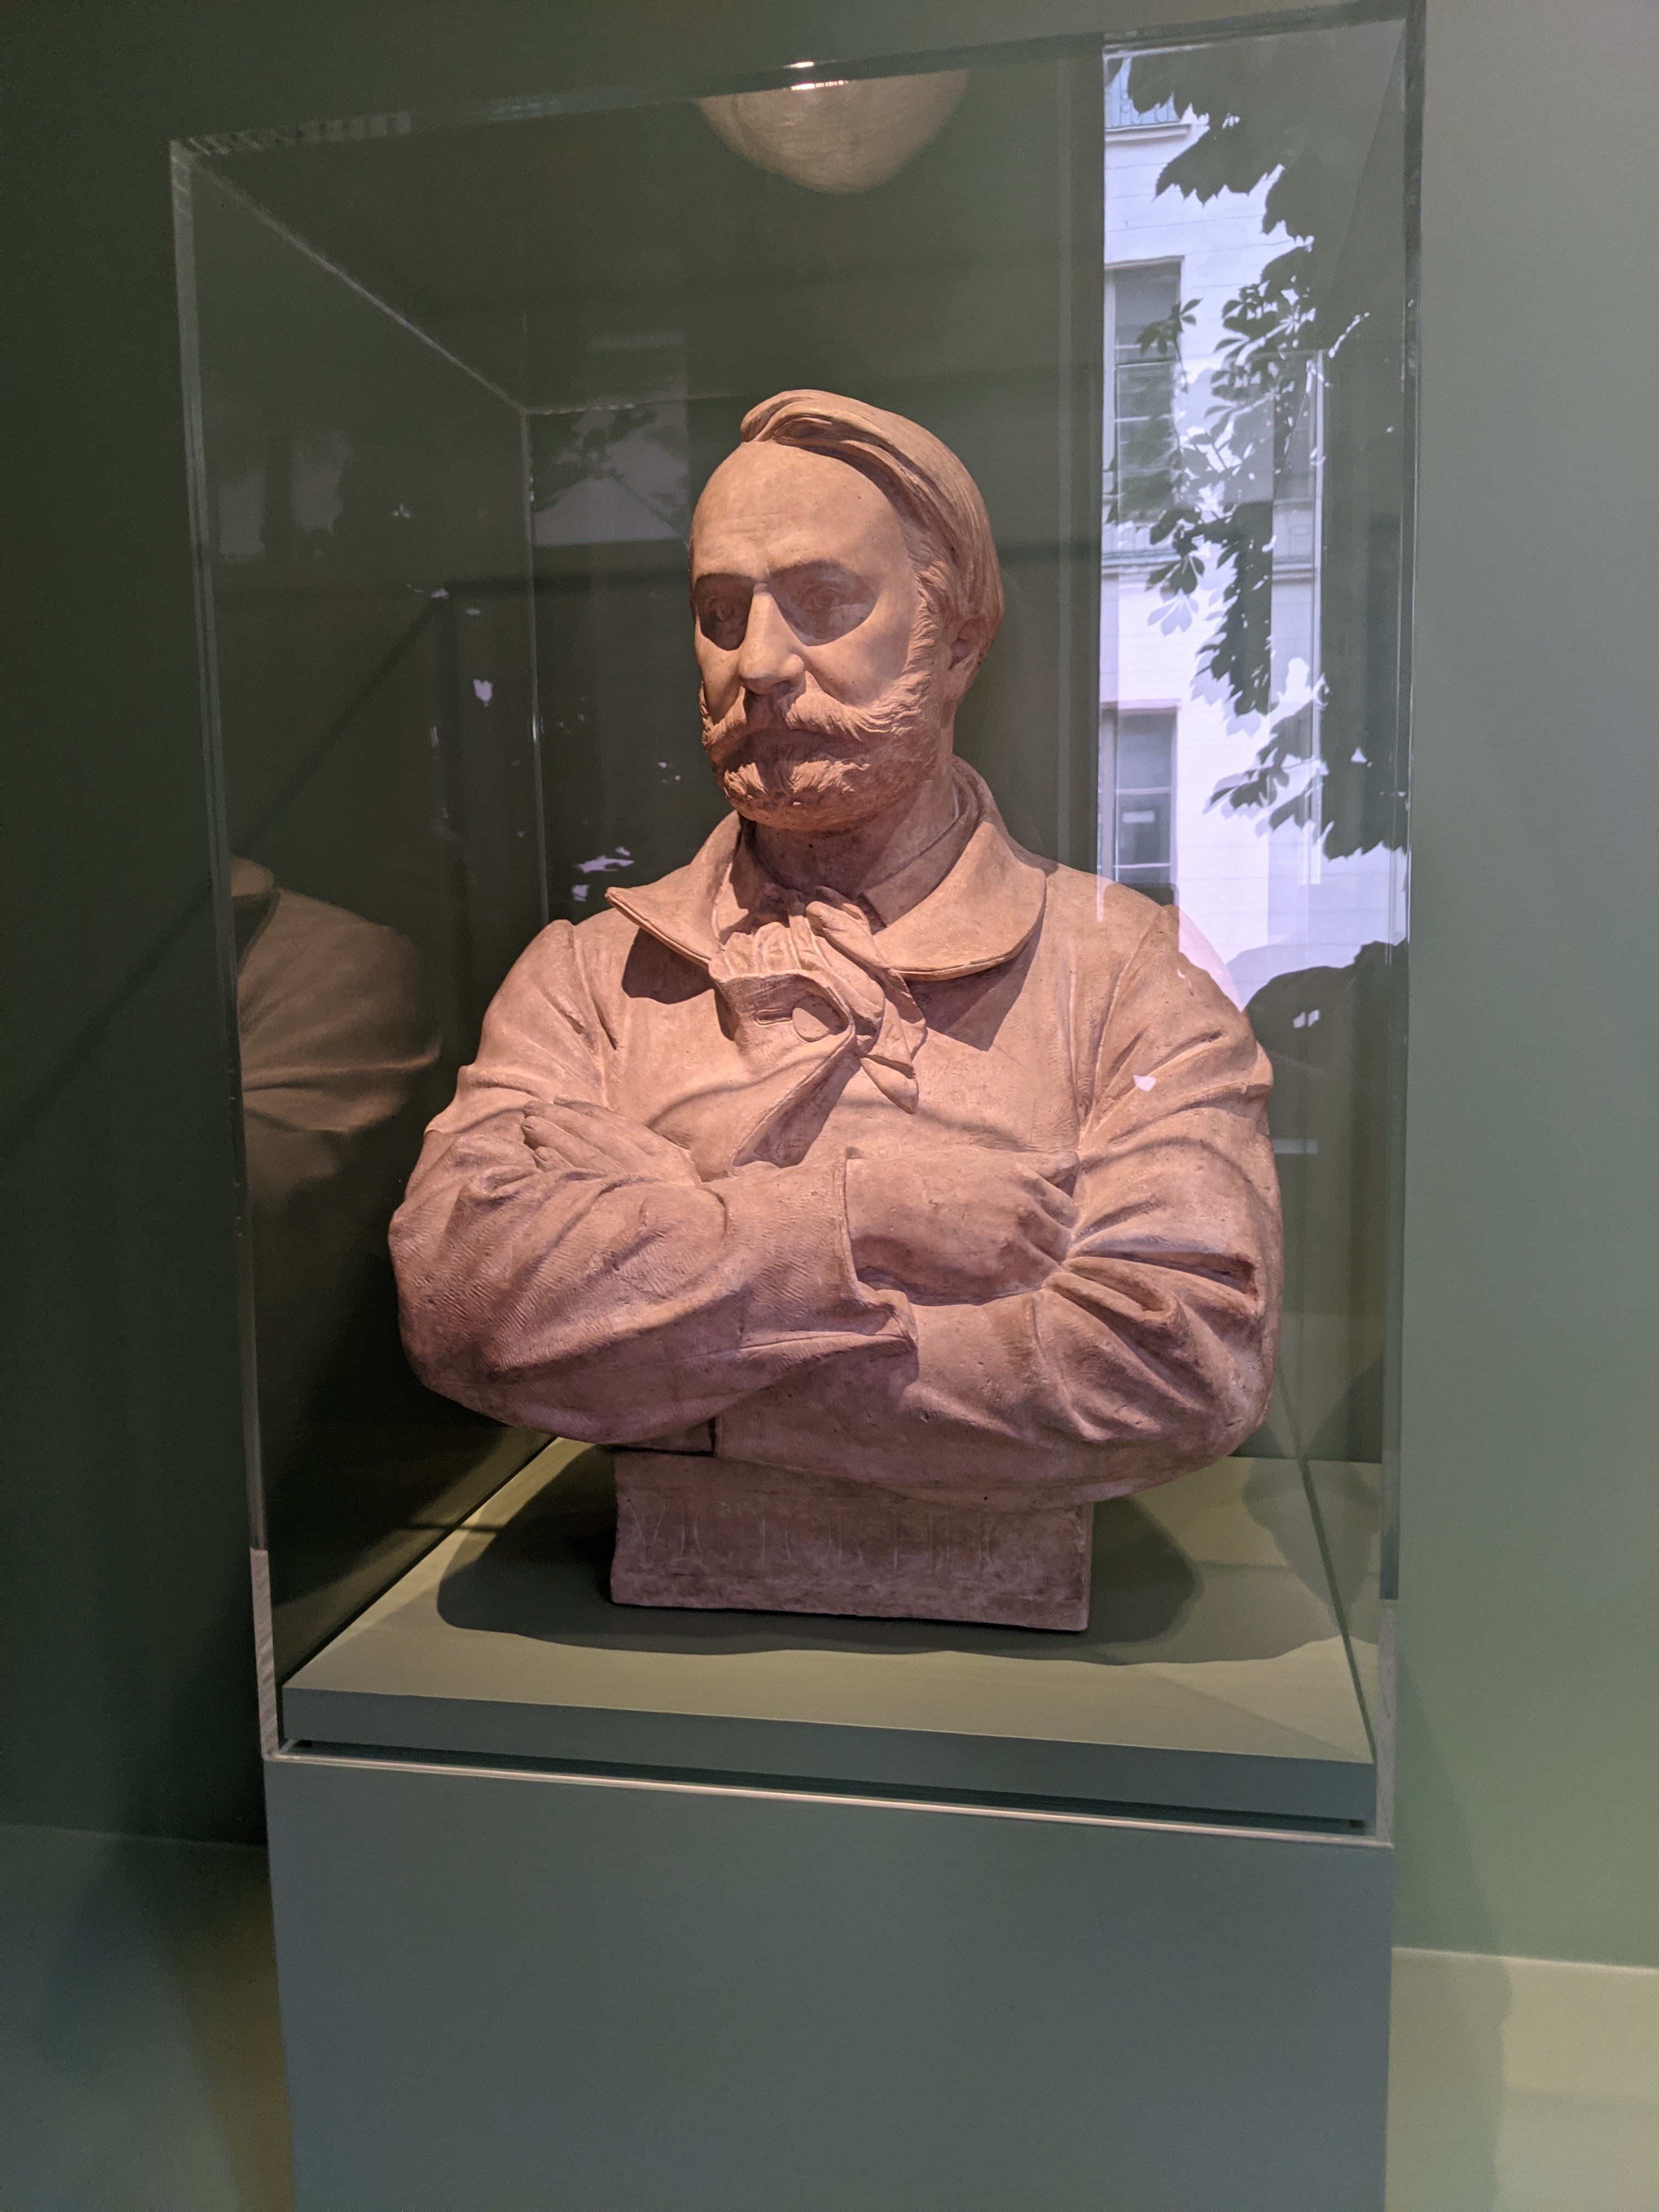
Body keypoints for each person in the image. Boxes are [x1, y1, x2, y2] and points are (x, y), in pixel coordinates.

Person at [390, 391, 1280, 1514]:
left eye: (823, 602)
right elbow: (465, 1303)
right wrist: (858, 1224)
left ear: (959, 642)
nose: (759, 662)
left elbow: (1185, 1363)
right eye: (721, 613)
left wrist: (674, 1368)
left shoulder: (1124, 977)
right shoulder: (590, 979)